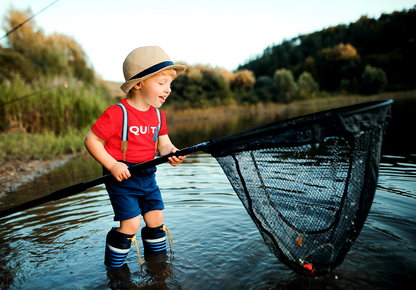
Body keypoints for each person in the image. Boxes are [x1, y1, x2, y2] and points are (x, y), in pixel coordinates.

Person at [84, 46, 187, 270]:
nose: (168, 89)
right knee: (130, 224)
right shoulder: (117, 113)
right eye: (161, 84)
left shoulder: (159, 116)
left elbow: (164, 144)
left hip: (147, 175)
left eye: (169, 84)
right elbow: (91, 140)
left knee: (156, 219)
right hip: (121, 177)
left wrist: (171, 152)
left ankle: (158, 266)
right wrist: (112, 164)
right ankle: (114, 269)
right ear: (138, 84)